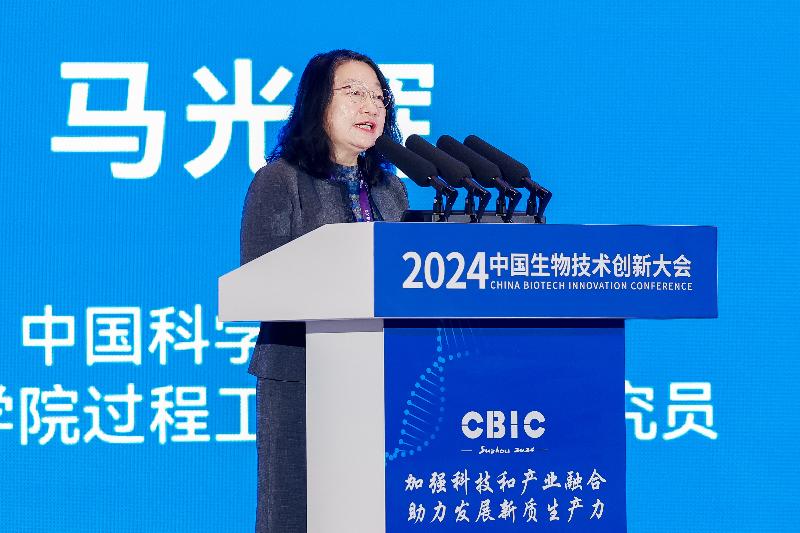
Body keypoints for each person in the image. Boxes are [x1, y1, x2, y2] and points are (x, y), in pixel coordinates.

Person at [239, 50, 408, 533]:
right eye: (354, 93)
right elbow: (260, 280)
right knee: (297, 510)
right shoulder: (280, 180)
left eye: (378, 96)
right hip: (301, 374)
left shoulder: (391, 191)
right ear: (318, 103)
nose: (370, 106)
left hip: (380, 377)